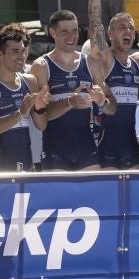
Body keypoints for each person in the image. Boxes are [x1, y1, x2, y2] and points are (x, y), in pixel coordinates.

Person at [30, 10, 112, 171]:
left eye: (75, 30)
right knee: (57, 196)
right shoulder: (41, 66)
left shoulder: (91, 63)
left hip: (86, 147)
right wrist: (69, 102)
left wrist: (102, 101)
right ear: (52, 32)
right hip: (55, 148)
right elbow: (41, 122)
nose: (72, 36)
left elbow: (109, 106)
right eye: (65, 32)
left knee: (93, 196)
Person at [87, 0, 139, 170]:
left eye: (131, 28)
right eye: (121, 27)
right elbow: (94, 25)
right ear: (110, 33)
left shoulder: (137, 63)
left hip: (130, 145)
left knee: (133, 201)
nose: (127, 31)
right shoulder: (106, 59)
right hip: (105, 145)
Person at [0, 28, 50, 172]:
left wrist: (40, 109)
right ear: (0, 54)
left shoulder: (30, 81)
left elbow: (41, 126)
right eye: (15, 51)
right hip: (1, 162)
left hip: (27, 161)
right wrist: (20, 114)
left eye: (23, 51)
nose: (21, 56)